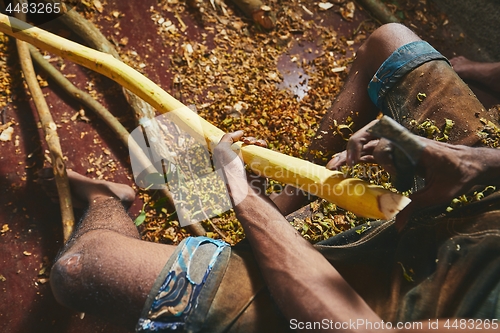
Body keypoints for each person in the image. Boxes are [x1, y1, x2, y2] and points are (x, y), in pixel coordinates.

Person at [43, 23, 500, 332]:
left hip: (392, 309)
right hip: (486, 214)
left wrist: (243, 196)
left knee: (79, 268)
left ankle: (109, 199)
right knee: (391, 40)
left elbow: (349, 323)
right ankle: (291, 194)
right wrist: (475, 163)